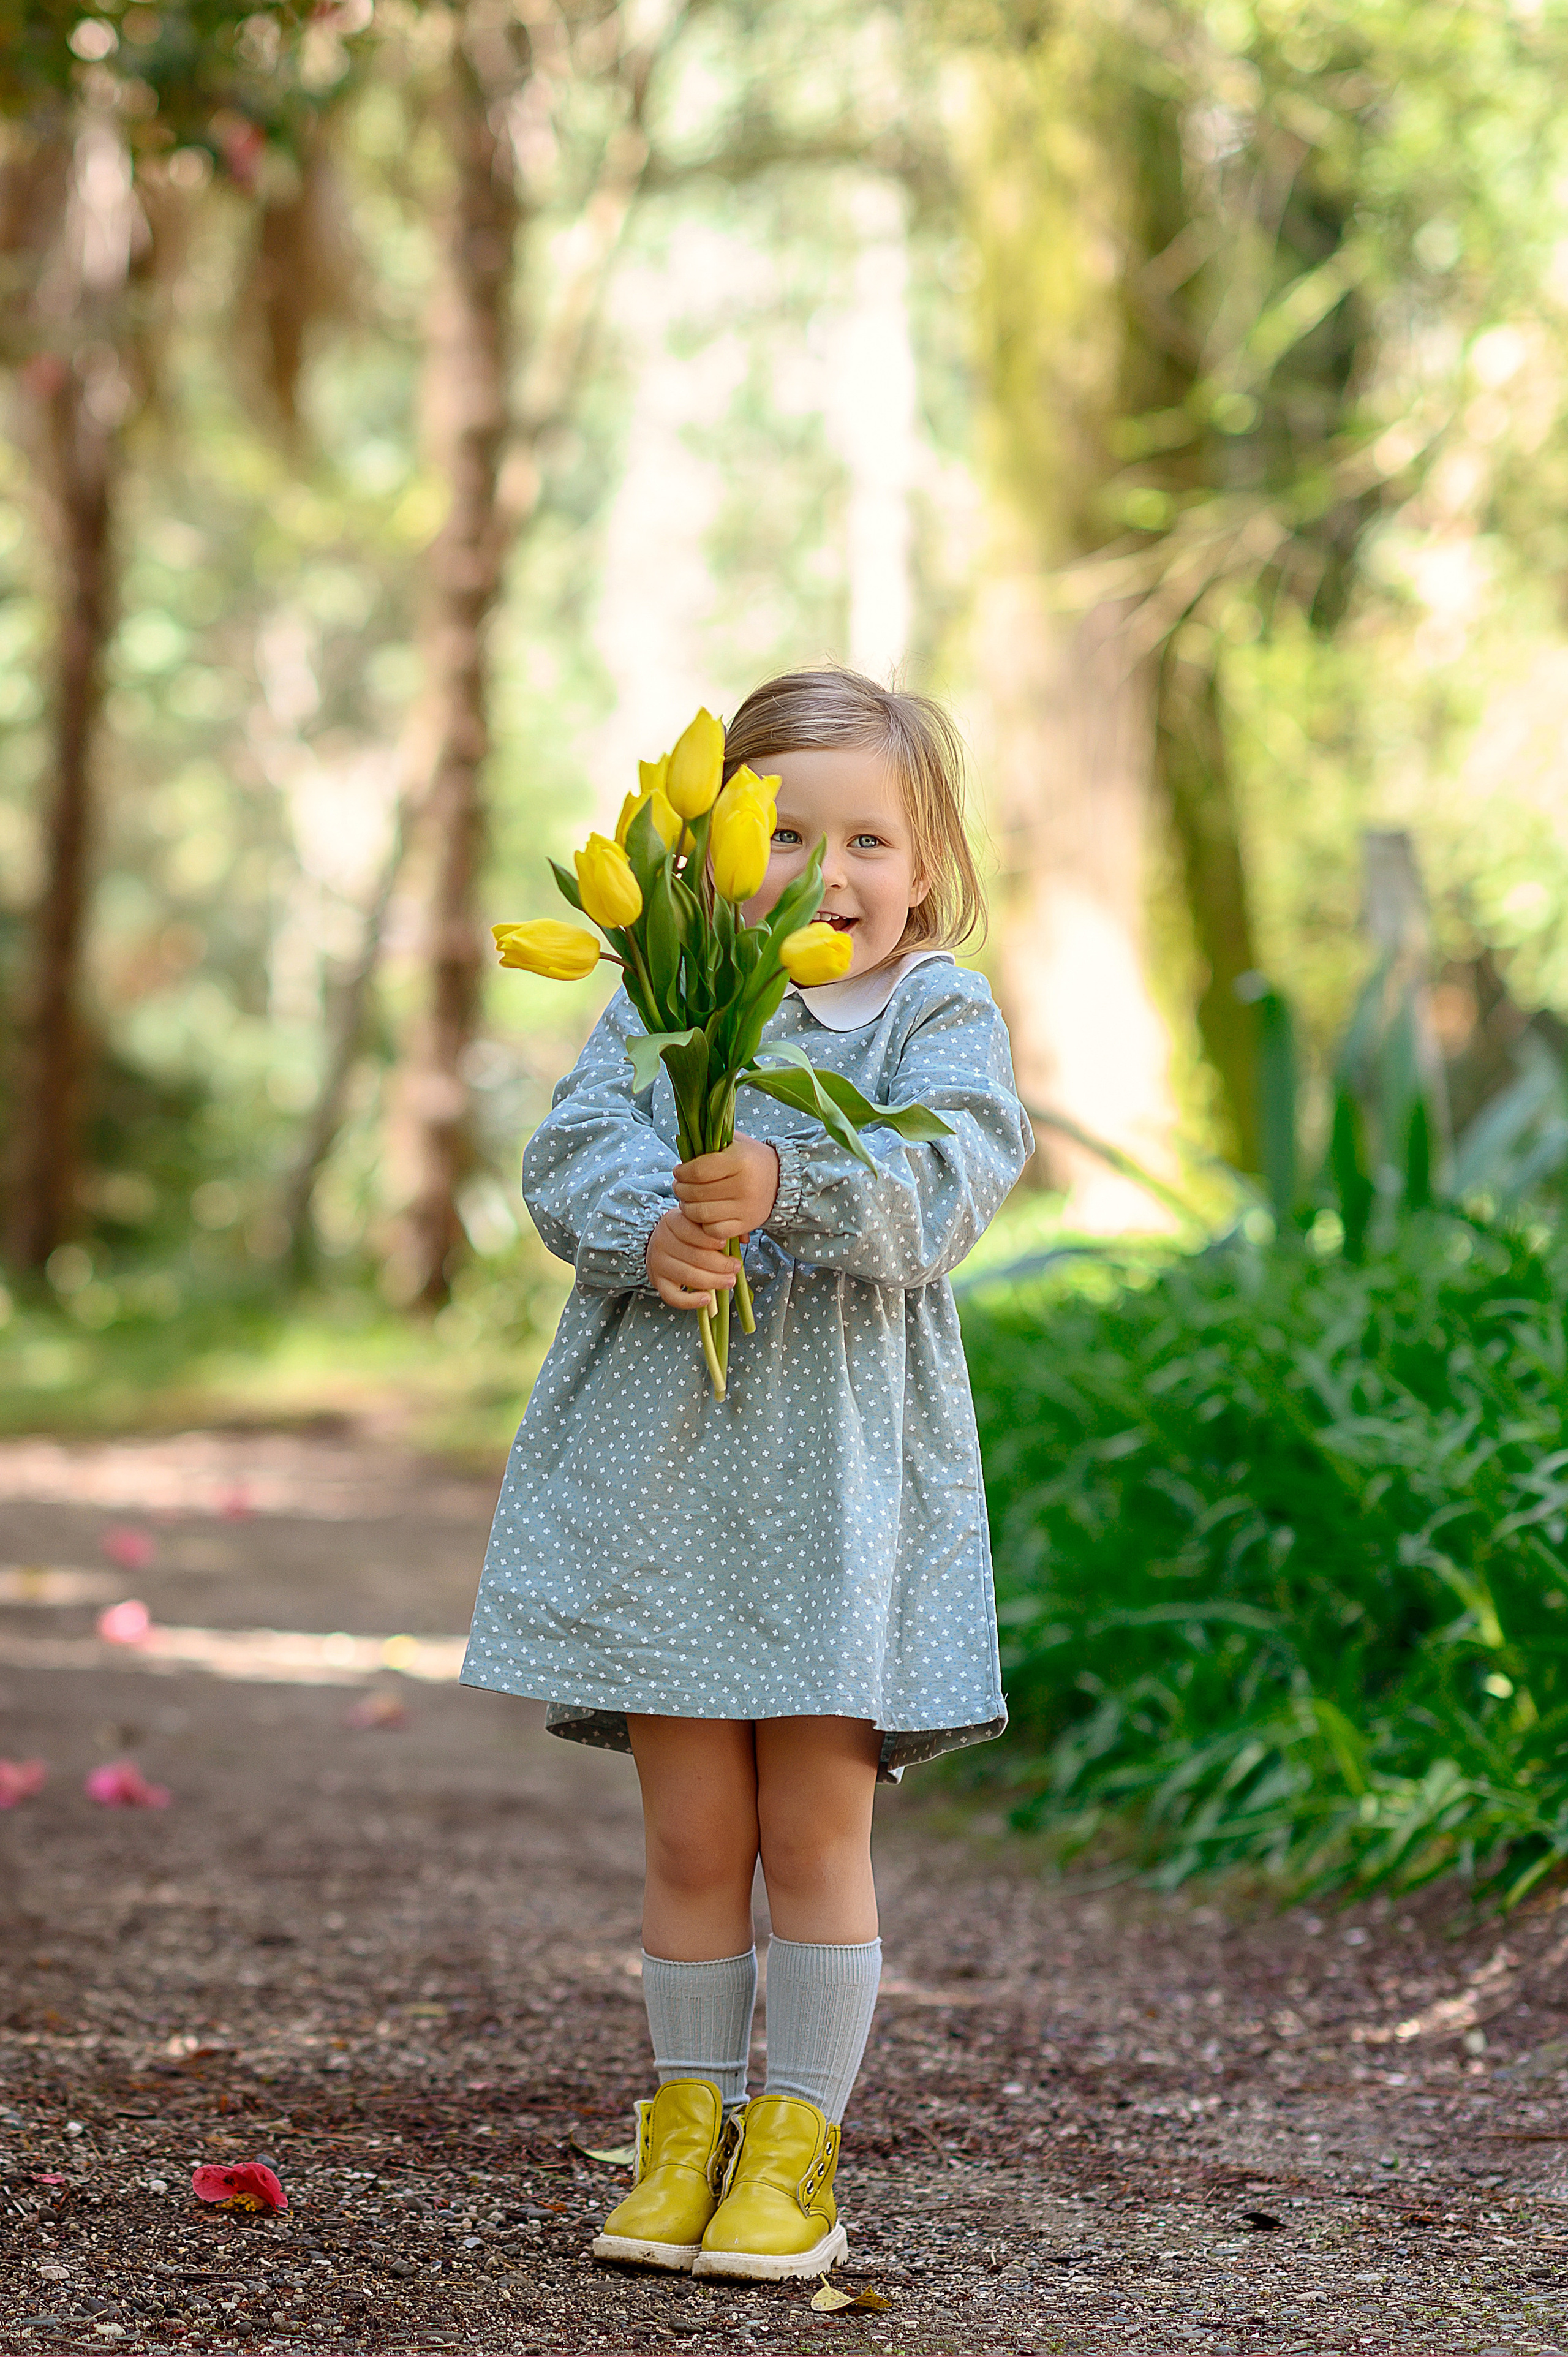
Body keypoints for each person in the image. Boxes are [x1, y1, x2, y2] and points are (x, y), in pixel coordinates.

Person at [461, 667, 1033, 2282]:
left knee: (814, 1828)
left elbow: (955, 1176)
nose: (829, 873)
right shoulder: (663, 993)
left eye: (871, 839)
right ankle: (685, 2131)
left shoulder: (941, 1013)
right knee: (693, 1838)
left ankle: (797, 2155)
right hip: (672, 1482)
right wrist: (657, 1229)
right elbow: (573, 1149)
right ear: (711, 846)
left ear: (928, 867)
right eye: (782, 831)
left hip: (841, 1491)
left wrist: (787, 1179)